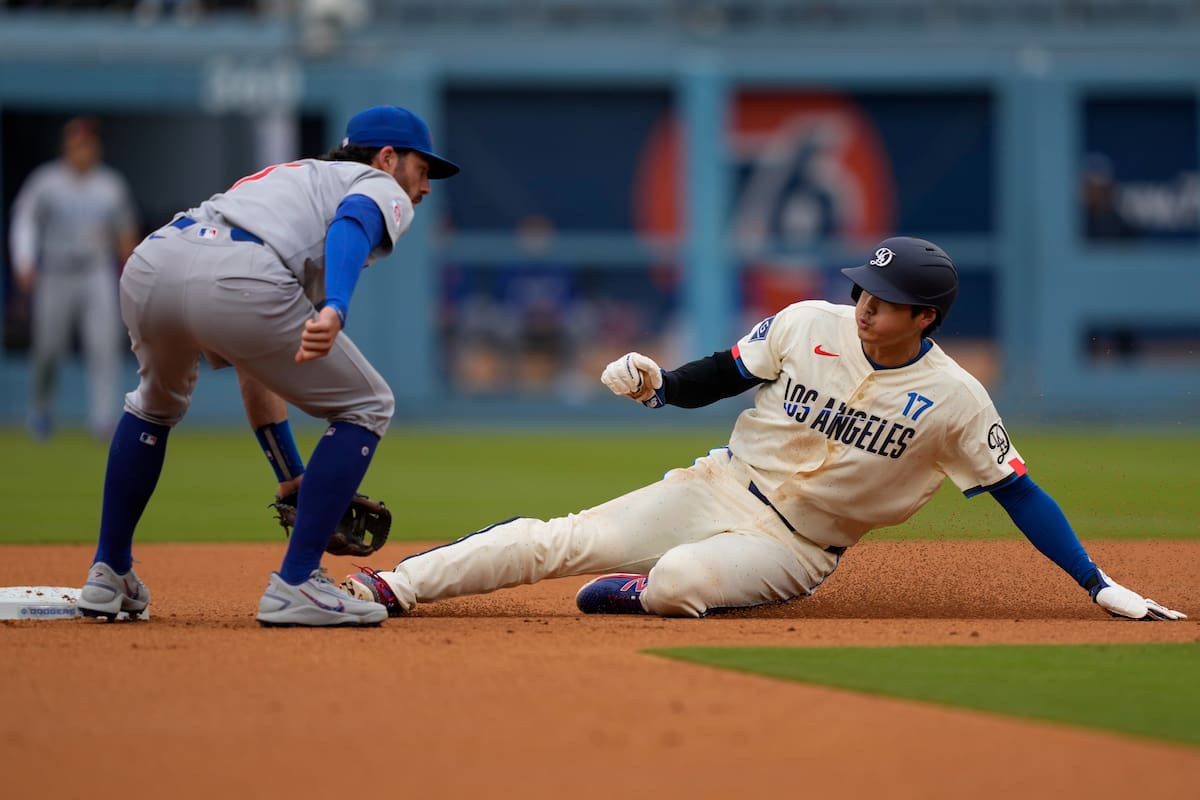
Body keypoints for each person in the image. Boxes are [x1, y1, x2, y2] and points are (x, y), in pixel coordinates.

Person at [342, 236, 1186, 622]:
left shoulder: (959, 399)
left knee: (675, 583)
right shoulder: (806, 322)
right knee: (558, 540)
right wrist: (657, 387)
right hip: (717, 484)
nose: (863, 306)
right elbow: (724, 372)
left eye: (885, 302)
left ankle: (637, 597)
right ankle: (394, 588)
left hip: (798, 548)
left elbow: (1020, 494)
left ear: (924, 316)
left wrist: (1095, 582)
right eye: (861, 289)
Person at [75, 105, 460, 627]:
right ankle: (298, 581)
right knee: (368, 404)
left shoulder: (293, 183)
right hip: (237, 270)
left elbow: (251, 364)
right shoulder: (375, 181)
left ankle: (108, 573)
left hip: (154, 261)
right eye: (422, 169)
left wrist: (290, 478)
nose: (426, 186)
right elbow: (356, 221)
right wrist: (337, 305)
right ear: (388, 157)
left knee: (153, 407)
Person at [7, 116, 140, 441]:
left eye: (89, 143)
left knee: (104, 345)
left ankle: (103, 420)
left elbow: (125, 232)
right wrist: (24, 261)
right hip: (56, 271)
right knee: (49, 348)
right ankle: (40, 410)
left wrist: (132, 271)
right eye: (77, 143)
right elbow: (24, 222)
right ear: (67, 146)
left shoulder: (110, 184)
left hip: (95, 271)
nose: (83, 149)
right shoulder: (46, 182)